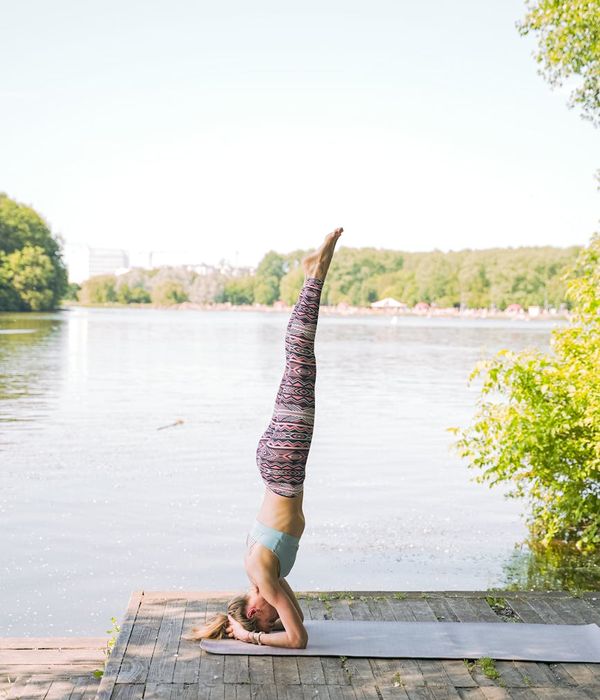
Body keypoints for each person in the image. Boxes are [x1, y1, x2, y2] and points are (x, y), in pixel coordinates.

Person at [189, 227, 343, 648]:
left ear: (256, 609)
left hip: (284, 467)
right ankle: (313, 279)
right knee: (299, 366)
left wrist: (248, 637)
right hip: (279, 465)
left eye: (267, 620)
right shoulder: (266, 577)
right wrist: (253, 625)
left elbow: (299, 639)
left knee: (301, 361)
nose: (278, 617)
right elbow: (297, 619)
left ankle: (314, 276)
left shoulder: (261, 576)